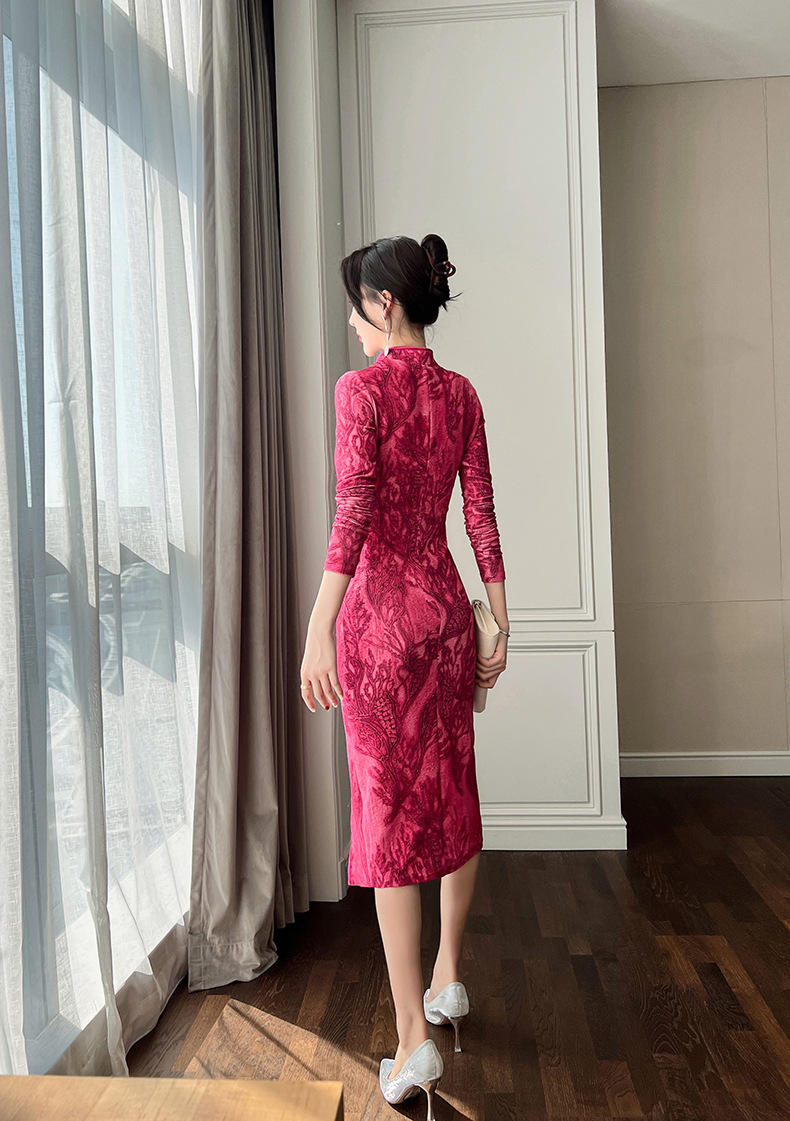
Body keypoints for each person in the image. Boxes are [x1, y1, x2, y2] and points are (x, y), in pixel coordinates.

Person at [299, 234, 509, 1119]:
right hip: (448, 616)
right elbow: (481, 512)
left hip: (381, 627)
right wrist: (502, 616)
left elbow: (353, 511)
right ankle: (448, 976)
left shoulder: (362, 391)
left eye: (357, 306)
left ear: (388, 304)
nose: (352, 324)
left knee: (387, 820)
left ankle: (414, 1036)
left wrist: (319, 625)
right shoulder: (461, 395)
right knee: (453, 788)